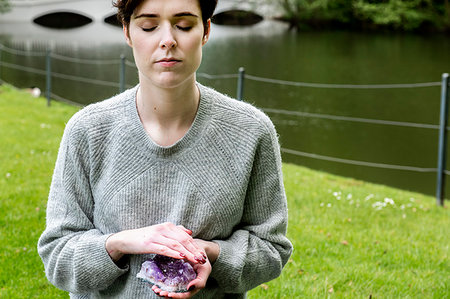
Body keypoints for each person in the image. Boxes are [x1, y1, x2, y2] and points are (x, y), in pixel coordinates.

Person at [37, 0, 293, 298]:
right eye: (148, 26)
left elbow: (271, 250)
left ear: (206, 30)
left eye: (184, 25)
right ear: (128, 32)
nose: (168, 40)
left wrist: (208, 254)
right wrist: (119, 243)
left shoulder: (251, 131)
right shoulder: (88, 130)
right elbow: (58, 256)